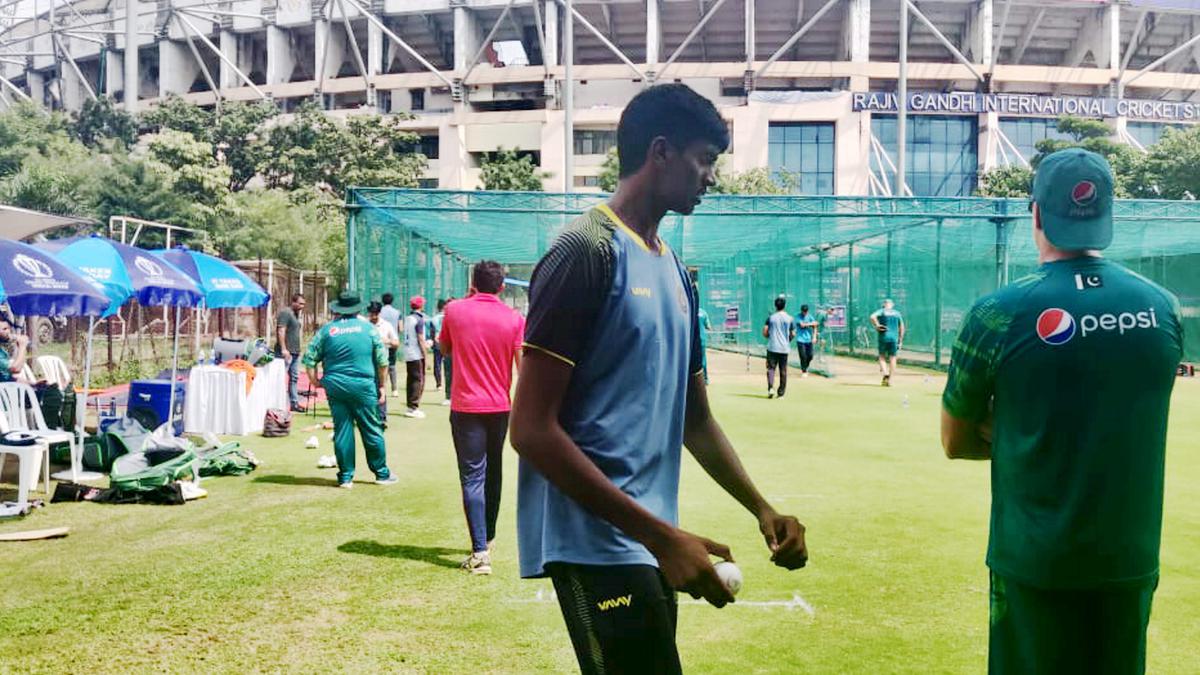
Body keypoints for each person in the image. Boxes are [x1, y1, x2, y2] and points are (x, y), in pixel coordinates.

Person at [511, 84, 808, 675]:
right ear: (662, 152)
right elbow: (530, 429)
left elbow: (694, 419)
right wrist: (660, 537)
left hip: (647, 538)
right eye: (705, 160)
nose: (711, 178)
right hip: (594, 542)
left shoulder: (674, 268)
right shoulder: (584, 252)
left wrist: (761, 508)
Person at [941, 149, 1183, 675]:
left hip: (1034, 560)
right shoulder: (1161, 307)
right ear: (1108, 214)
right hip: (1128, 559)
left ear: (1034, 213)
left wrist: (1025, 435)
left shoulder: (998, 313)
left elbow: (955, 441)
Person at [439, 262, 525, 575]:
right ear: (502, 287)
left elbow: (445, 349)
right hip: (500, 407)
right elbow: (522, 367)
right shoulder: (514, 318)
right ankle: (486, 538)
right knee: (494, 472)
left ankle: (480, 551)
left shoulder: (454, 310)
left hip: (466, 407)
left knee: (473, 476)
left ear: (473, 283)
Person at [303, 292, 397, 489]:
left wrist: (315, 381)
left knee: (343, 429)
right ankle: (381, 474)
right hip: (363, 385)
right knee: (371, 428)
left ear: (338, 309)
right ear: (358, 309)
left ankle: (346, 477)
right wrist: (382, 386)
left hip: (335, 385)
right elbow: (382, 361)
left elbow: (309, 358)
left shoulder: (327, 330)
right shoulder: (369, 329)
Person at [367, 301, 401, 429]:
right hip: (365, 362)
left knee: (381, 387)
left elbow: (397, 343)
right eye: (371, 314)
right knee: (367, 388)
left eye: (375, 314)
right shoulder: (365, 325)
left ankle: (382, 417)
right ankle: (368, 416)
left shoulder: (386, 325)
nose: (373, 316)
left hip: (381, 362)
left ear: (379, 313)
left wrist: (387, 341)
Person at [275, 294, 307, 413]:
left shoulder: (296, 315)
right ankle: (277, 403)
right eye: (299, 303)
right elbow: (281, 330)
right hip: (285, 352)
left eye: (303, 304)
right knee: (280, 378)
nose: (301, 306)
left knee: (294, 378)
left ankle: (294, 403)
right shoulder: (286, 313)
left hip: (295, 351)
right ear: (293, 302)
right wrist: (283, 348)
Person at [402, 296, 429, 418]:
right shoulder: (419, 319)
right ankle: (413, 407)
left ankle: (410, 405)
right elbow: (420, 339)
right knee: (418, 380)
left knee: (411, 379)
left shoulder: (408, 318)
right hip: (416, 353)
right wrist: (426, 355)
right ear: (421, 306)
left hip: (408, 352)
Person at [762, 295, 793, 399]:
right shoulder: (789, 318)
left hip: (772, 347)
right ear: (784, 305)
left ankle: (771, 388)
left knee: (771, 369)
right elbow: (792, 333)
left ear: (775, 306)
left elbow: (765, 332)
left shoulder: (771, 318)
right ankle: (781, 393)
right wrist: (787, 340)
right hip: (784, 348)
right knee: (783, 370)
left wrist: (769, 337)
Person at [869, 298, 904, 386]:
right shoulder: (897, 313)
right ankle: (890, 380)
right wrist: (900, 340)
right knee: (893, 357)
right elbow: (902, 328)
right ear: (892, 305)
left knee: (882, 356)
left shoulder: (882, 311)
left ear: (884, 304)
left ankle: (885, 374)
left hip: (883, 337)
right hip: (894, 338)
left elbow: (872, 316)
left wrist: (877, 325)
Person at [379, 292, 402, 397]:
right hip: (393, 342)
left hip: (380, 342)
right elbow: (400, 328)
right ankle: (394, 389)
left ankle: (382, 387)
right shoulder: (397, 312)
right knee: (392, 365)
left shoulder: (379, 312)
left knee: (380, 365)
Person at [0, 316, 29, 383]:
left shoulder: (2, 352)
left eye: (8, 328)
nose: (8, 332)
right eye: (4, 329)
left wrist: (33, 384)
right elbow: (15, 369)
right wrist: (22, 346)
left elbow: (7, 378)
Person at [794, 304, 817, 377]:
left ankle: (805, 367)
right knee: (803, 356)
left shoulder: (810, 316)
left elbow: (815, 325)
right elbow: (802, 325)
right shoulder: (798, 316)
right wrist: (811, 323)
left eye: (806, 311)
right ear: (801, 311)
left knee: (810, 356)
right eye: (803, 311)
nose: (805, 313)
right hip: (800, 339)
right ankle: (804, 371)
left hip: (809, 340)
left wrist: (814, 337)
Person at [431, 299, 447, 391]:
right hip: (447, 343)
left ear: (437, 307)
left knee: (437, 364)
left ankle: (439, 384)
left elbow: (432, 333)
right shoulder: (447, 317)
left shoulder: (434, 319)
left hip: (437, 343)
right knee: (448, 364)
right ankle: (449, 383)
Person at [696, 300, 712, 384]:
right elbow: (709, 327)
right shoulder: (703, 313)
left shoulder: (689, 311)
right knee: (703, 360)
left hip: (691, 340)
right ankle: (705, 379)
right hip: (701, 339)